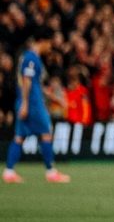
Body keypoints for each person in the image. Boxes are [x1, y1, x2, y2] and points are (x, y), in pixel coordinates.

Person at [3, 26, 70, 184]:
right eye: (49, 43)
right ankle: (51, 172)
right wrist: (26, 103)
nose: (50, 47)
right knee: (46, 133)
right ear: (43, 41)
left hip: (28, 101)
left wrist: (54, 98)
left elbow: (35, 84)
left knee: (19, 137)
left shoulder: (29, 57)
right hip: (33, 103)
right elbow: (26, 81)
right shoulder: (31, 58)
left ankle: (9, 172)